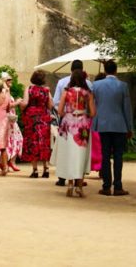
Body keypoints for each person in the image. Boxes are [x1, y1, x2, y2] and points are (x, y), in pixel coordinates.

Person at [91, 59, 133, 196]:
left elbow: (94, 105)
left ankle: (106, 185)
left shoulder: (96, 85)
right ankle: (118, 185)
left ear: (105, 70)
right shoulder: (123, 86)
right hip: (119, 124)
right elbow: (127, 108)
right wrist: (129, 127)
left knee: (105, 155)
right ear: (116, 70)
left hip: (103, 124)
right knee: (118, 156)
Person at [55, 69, 96, 197]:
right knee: (81, 155)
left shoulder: (66, 92)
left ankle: (70, 184)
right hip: (82, 125)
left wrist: (68, 113)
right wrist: (84, 113)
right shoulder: (87, 93)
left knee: (69, 154)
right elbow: (93, 113)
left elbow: (60, 110)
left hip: (68, 124)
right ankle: (79, 186)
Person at [20, 70, 53, 178]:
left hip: (32, 119)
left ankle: (35, 170)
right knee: (44, 142)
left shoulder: (29, 89)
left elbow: (25, 103)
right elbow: (50, 105)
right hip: (44, 118)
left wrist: (20, 105)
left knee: (32, 142)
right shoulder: (46, 90)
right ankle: (46, 169)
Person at [2, 72, 24, 172]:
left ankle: (10, 161)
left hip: (11, 119)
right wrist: (17, 102)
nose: (10, 81)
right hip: (6, 119)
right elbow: (6, 106)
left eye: (11, 79)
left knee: (16, 139)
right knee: (10, 140)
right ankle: (6, 162)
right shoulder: (4, 91)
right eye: (8, 80)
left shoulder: (7, 90)